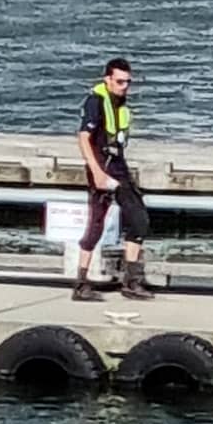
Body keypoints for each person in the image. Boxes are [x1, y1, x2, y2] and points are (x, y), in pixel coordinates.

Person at [80, 54, 152, 297]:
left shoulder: (121, 105)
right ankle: (81, 282)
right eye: (120, 82)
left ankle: (131, 279)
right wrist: (97, 173)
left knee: (138, 219)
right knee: (96, 225)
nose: (125, 87)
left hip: (119, 167)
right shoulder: (95, 102)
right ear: (108, 79)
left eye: (128, 82)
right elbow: (83, 138)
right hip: (103, 168)